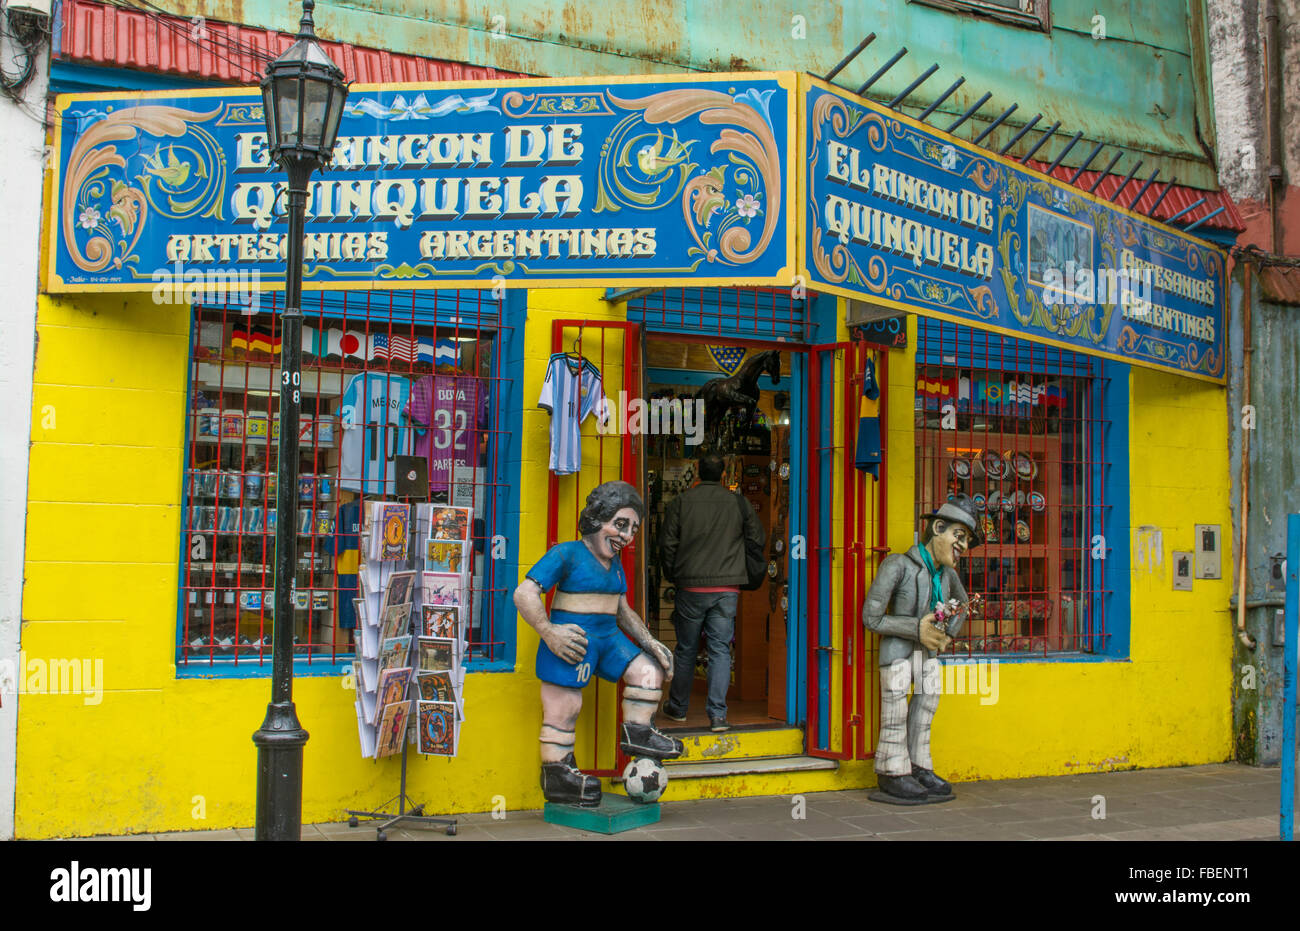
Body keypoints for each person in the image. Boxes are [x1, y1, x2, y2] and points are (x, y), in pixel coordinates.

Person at [513, 481, 683, 808]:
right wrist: (549, 632)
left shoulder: (614, 563)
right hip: (573, 641)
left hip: (608, 639)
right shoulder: (567, 553)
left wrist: (648, 640)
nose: (626, 536)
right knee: (566, 706)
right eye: (620, 525)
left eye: (633, 528)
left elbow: (621, 608)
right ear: (596, 519)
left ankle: (639, 732)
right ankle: (558, 772)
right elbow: (525, 594)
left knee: (648, 671)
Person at [862, 494, 982, 803]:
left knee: (927, 704)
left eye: (966, 539)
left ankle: (919, 767)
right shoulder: (898, 565)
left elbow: (965, 604)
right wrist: (916, 628)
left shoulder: (947, 575)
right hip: (898, 654)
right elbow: (871, 616)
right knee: (896, 709)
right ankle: (891, 770)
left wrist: (945, 635)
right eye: (959, 535)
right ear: (938, 527)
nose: (963, 546)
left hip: (927, 655)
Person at [658, 453, 765, 732]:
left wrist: (674, 574)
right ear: (721, 475)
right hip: (727, 588)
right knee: (720, 649)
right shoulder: (739, 503)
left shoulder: (682, 503)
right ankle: (718, 715)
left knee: (686, 649)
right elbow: (757, 539)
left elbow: (667, 543)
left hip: (690, 585)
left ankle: (678, 708)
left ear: (697, 473)